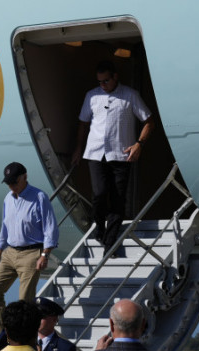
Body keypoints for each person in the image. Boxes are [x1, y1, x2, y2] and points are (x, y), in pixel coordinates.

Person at [72, 60, 155, 250]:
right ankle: (99, 228)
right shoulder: (92, 96)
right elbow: (83, 123)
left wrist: (139, 144)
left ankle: (110, 242)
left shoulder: (130, 95)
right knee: (99, 193)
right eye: (100, 81)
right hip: (95, 153)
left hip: (121, 154)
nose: (103, 85)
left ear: (115, 76)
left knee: (118, 198)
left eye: (106, 81)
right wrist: (78, 148)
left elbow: (149, 121)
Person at [0, 161, 59, 336]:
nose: (11, 186)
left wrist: (45, 254)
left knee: (24, 302)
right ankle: (1, 337)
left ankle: (24, 339)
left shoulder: (39, 197)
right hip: (10, 252)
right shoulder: (8, 198)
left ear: (24, 177)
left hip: (31, 253)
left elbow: (51, 228)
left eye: (14, 182)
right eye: (9, 183)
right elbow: (5, 227)